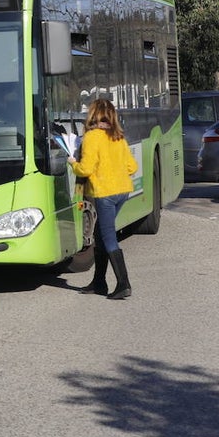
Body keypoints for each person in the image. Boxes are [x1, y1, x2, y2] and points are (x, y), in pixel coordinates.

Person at [69, 98, 138, 300]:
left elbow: (86, 169)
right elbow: (132, 167)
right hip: (122, 192)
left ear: (93, 115)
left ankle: (123, 283)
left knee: (108, 238)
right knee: (100, 235)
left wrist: (73, 163)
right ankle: (99, 282)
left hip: (105, 194)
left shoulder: (92, 137)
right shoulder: (118, 137)